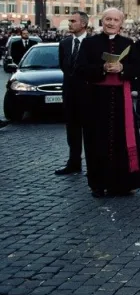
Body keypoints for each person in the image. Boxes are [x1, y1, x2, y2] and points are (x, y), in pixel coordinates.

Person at [76, 8, 140, 197]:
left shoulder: (128, 43)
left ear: (121, 23)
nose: (111, 22)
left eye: (115, 19)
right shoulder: (89, 43)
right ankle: (98, 184)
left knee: (122, 141)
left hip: (121, 100)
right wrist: (103, 68)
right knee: (96, 141)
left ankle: (123, 183)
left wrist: (123, 68)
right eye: (108, 19)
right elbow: (80, 69)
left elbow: (138, 68)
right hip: (96, 100)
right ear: (102, 20)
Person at [54, 12, 89, 175]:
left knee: (91, 132)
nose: (70, 24)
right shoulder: (65, 43)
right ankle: (73, 163)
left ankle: (94, 166)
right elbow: (64, 66)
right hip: (70, 93)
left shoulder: (93, 43)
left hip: (89, 94)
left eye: (73, 21)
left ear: (83, 24)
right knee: (72, 131)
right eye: (69, 21)